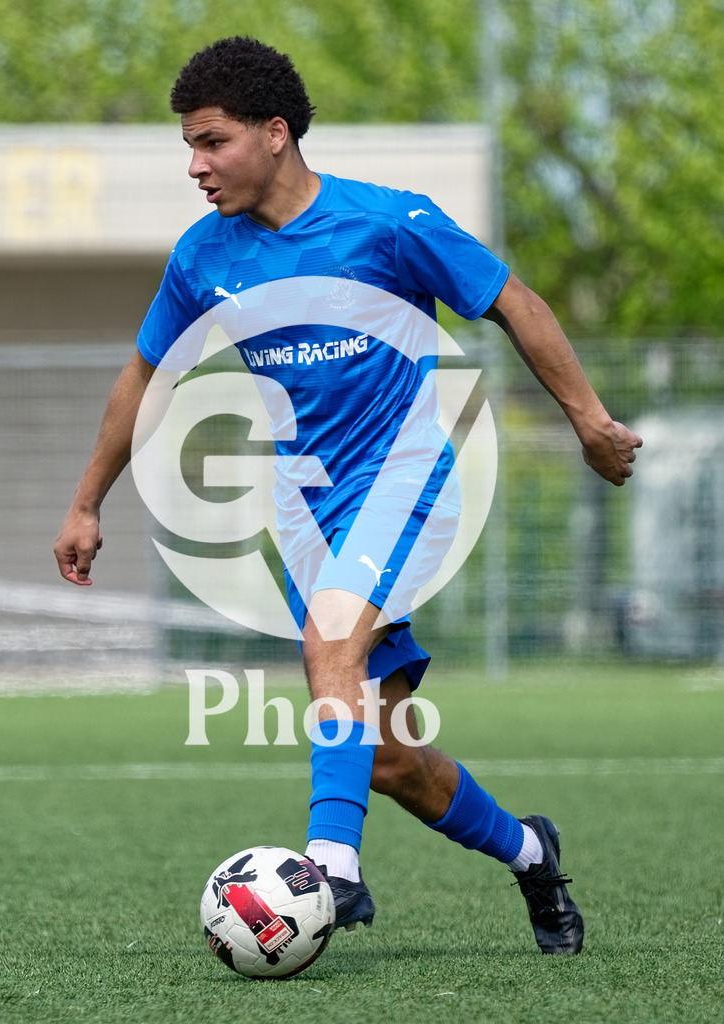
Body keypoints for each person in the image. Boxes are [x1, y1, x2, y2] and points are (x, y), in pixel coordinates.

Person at [54, 36, 643, 956]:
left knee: (332, 635)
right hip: (305, 508)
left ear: (274, 133)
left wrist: (589, 420)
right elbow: (144, 376)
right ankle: (532, 853)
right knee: (389, 757)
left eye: (211, 142)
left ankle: (328, 869)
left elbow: (515, 303)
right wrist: (88, 500)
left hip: (406, 478)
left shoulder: (390, 224)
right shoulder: (203, 257)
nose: (195, 165)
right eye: (190, 146)